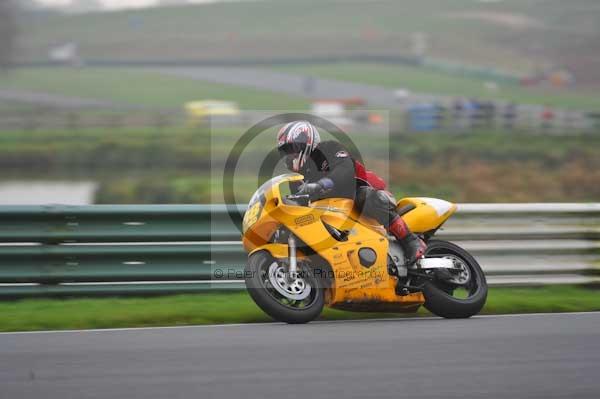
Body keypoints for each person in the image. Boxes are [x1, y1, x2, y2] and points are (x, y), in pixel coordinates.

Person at [276, 120, 427, 266]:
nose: (289, 155)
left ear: (306, 143)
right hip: (334, 213)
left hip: (364, 195)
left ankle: (410, 241)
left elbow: (345, 170)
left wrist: (321, 185)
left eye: (292, 149)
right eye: (285, 152)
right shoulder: (296, 180)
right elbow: (301, 207)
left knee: (365, 197)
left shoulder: (329, 148)